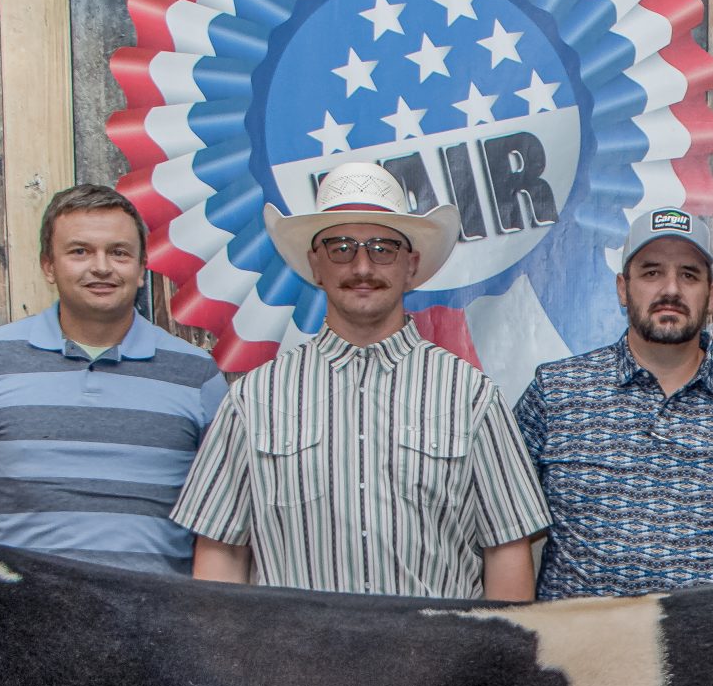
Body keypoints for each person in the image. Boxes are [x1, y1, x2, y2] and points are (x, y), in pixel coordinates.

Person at [174, 161, 547, 599]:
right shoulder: (255, 398)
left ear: (411, 264)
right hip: (293, 664)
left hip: (436, 664)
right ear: (315, 265)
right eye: (341, 248)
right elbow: (222, 551)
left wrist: (494, 666)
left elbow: (506, 549)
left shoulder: (470, 396)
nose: (363, 266)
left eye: (383, 248)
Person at [0, 184, 227, 573]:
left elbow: (220, 523)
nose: (102, 267)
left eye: (119, 252)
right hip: (30, 620)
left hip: (154, 621)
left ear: (142, 269)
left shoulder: (196, 374)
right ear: (48, 265)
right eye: (80, 251)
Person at [513, 209, 713, 598]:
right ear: (622, 288)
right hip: (577, 654)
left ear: (712, 295)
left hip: (711, 652)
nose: (671, 289)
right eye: (652, 272)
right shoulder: (556, 392)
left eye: (688, 275)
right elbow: (501, 529)